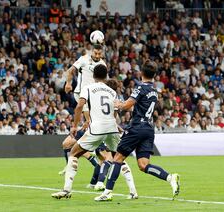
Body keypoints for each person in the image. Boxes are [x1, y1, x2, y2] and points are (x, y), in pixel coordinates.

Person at [95, 61, 180, 201]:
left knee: (117, 158)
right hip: (148, 129)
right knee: (143, 165)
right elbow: (143, 107)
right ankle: (170, 178)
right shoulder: (154, 91)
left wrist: (119, 104)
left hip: (137, 128)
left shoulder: (140, 87)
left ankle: (107, 192)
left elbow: (127, 105)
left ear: (142, 73)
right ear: (154, 75)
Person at [51, 64, 137, 199]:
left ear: (93, 75)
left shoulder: (88, 88)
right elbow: (115, 114)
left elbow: (80, 105)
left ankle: (67, 190)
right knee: (119, 158)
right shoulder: (112, 92)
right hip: (111, 128)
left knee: (73, 153)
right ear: (106, 75)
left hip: (97, 128)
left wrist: (74, 125)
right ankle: (133, 191)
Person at [58, 44, 106, 185]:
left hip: (93, 109)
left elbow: (104, 83)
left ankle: (100, 180)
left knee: (103, 155)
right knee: (67, 145)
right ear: (92, 51)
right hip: (86, 104)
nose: (97, 56)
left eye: (99, 54)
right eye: (95, 53)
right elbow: (70, 70)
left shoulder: (102, 65)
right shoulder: (84, 59)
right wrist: (68, 83)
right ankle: (96, 175)